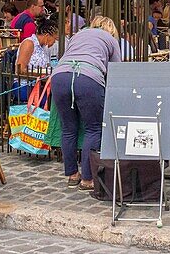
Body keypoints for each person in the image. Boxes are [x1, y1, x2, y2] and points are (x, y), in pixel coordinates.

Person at [51, 16, 123, 190]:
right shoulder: (111, 40)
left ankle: (72, 174)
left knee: (68, 127)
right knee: (94, 127)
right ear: (111, 29)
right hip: (88, 78)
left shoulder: (78, 35)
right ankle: (88, 178)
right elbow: (116, 70)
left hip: (60, 77)